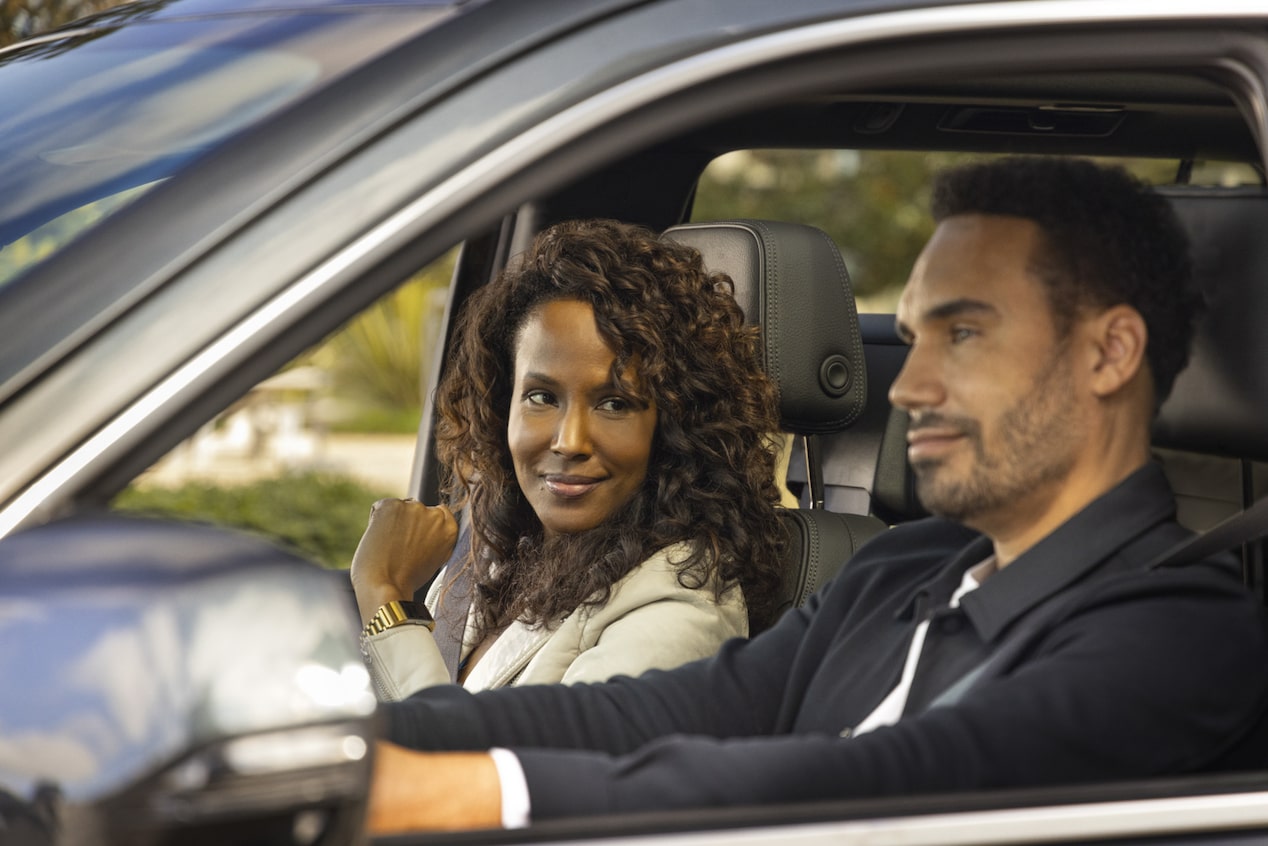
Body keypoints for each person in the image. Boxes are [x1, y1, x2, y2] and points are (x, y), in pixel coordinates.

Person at [363, 157, 1268, 833]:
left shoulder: (1183, 633)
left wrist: (481, 790)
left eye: (963, 334)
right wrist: (362, 742)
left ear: (1108, 354)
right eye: (912, 338)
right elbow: (654, 715)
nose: (908, 387)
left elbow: (896, 782)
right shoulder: (904, 571)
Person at [349, 218, 786, 700]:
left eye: (614, 403)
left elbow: (485, 772)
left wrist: (384, 595)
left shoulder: (678, 614)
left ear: (675, 427)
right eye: (540, 397)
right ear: (502, 406)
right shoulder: (502, 552)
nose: (569, 440)